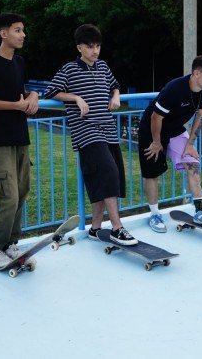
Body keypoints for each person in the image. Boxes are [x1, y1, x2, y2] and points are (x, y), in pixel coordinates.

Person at [43, 24, 137, 245]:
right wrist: (76, 97)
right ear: (79, 48)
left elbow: (115, 85)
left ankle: (95, 228)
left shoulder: (103, 66)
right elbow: (51, 91)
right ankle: (117, 227)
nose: (95, 51)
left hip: (108, 129)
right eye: (90, 46)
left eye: (98, 46)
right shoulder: (69, 69)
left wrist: (116, 96)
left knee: (103, 179)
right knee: (109, 173)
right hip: (86, 131)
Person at [0, 13, 39, 269]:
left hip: (19, 137)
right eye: (17, 30)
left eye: (23, 30)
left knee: (21, 192)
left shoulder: (19, 62)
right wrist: (15, 105)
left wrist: (33, 95)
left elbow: (23, 92)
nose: (22, 34)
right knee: (7, 197)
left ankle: (11, 244)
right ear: (4, 33)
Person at [138, 55, 202, 233]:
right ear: (197, 73)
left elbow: (201, 116)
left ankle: (200, 211)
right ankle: (154, 214)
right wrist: (157, 142)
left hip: (175, 129)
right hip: (151, 129)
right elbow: (155, 117)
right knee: (152, 172)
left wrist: (190, 143)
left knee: (192, 163)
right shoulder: (174, 89)